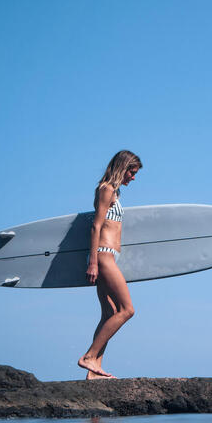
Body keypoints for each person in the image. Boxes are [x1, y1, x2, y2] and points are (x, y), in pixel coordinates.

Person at [77, 150, 142, 379]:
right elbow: (96, 226)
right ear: (122, 167)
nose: (133, 177)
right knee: (127, 310)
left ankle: (94, 369)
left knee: (109, 313)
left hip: (107, 256)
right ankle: (88, 357)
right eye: (131, 172)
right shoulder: (107, 190)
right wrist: (93, 262)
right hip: (103, 256)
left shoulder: (114, 191)